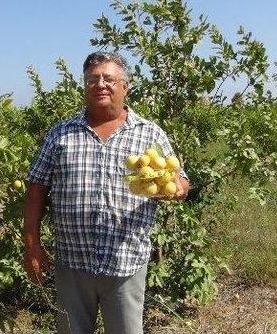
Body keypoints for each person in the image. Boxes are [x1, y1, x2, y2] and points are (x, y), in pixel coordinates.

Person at [23, 51, 190, 334]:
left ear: (125, 86)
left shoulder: (149, 134)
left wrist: (175, 189)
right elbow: (36, 192)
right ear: (85, 86)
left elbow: (180, 181)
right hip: (72, 263)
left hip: (126, 265)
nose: (100, 84)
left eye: (109, 79)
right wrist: (32, 246)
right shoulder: (60, 133)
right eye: (92, 79)